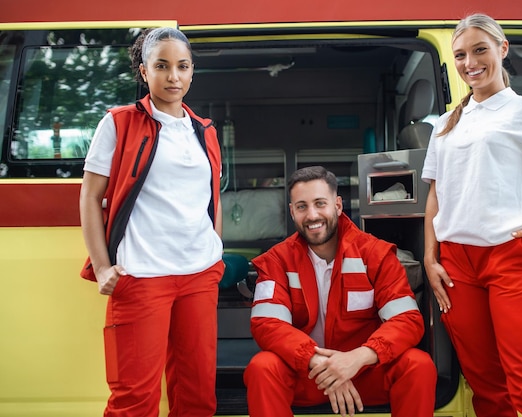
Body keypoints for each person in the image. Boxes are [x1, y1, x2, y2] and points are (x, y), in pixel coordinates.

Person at [421, 13, 522, 417]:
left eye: (480, 50)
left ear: (502, 48)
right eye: (460, 55)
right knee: (486, 385)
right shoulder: (445, 124)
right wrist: (430, 256)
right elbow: (436, 196)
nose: (469, 63)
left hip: (511, 256)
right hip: (456, 263)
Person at [79, 27, 224, 417]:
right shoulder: (119, 123)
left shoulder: (204, 131)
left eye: (182, 66)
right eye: (161, 66)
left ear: (192, 72)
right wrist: (102, 265)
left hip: (199, 275)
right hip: (142, 276)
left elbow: (211, 198)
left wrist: (216, 255)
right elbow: (91, 197)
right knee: (134, 400)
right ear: (144, 72)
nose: (173, 76)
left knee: (197, 397)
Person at [244, 166, 437, 417]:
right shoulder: (277, 261)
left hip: (364, 373)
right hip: (309, 375)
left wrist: (357, 358)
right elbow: (267, 325)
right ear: (292, 211)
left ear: (337, 205)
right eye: (302, 206)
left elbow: (407, 321)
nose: (312, 215)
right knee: (262, 368)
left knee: (418, 365)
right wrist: (322, 364)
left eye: (320, 203)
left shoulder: (375, 254)